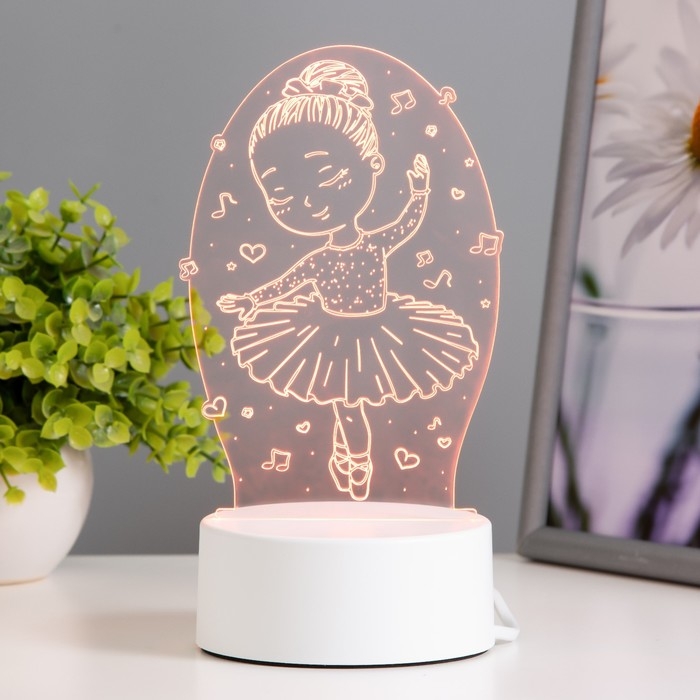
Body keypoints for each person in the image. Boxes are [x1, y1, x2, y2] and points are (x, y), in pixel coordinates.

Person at [218, 59, 478, 500]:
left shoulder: (374, 244)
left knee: (353, 404)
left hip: (378, 333)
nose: (309, 202)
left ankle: (355, 461)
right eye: (280, 194)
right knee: (346, 404)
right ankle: (353, 459)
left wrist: (420, 192)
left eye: (328, 176)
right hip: (329, 336)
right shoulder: (319, 260)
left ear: (372, 163)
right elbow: (286, 284)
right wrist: (250, 301)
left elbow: (406, 225)